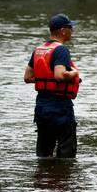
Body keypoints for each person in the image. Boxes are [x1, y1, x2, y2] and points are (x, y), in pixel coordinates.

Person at [24, 13, 80, 158]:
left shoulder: (39, 50)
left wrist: (45, 80)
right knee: (66, 156)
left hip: (42, 107)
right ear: (62, 31)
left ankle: (42, 179)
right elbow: (60, 75)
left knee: (44, 154)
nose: (72, 31)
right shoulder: (61, 50)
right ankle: (62, 179)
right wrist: (74, 73)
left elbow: (27, 77)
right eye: (70, 28)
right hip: (60, 107)